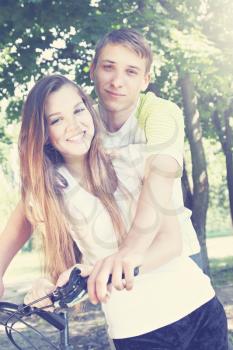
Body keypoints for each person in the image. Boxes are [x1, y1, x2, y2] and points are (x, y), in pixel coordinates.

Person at [4, 74, 227, 350]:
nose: (74, 125)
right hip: (139, 331)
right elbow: (66, 266)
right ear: (43, 134)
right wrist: (49, 287)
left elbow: (171, 243)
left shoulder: (135, 157)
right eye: (56, 119)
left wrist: (103, 272)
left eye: (78, 109)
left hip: (198, 307)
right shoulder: (52, 195)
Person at [0, 28, 201, 301]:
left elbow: (159, 179)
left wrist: (127, 255)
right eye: (108, 67)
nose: (117, 81)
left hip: (170, 259)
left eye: (131, 72)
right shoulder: (83, 121)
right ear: (93, 70)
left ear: (145, 79)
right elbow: (33, 203)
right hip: (120, 278)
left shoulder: (159, 114)